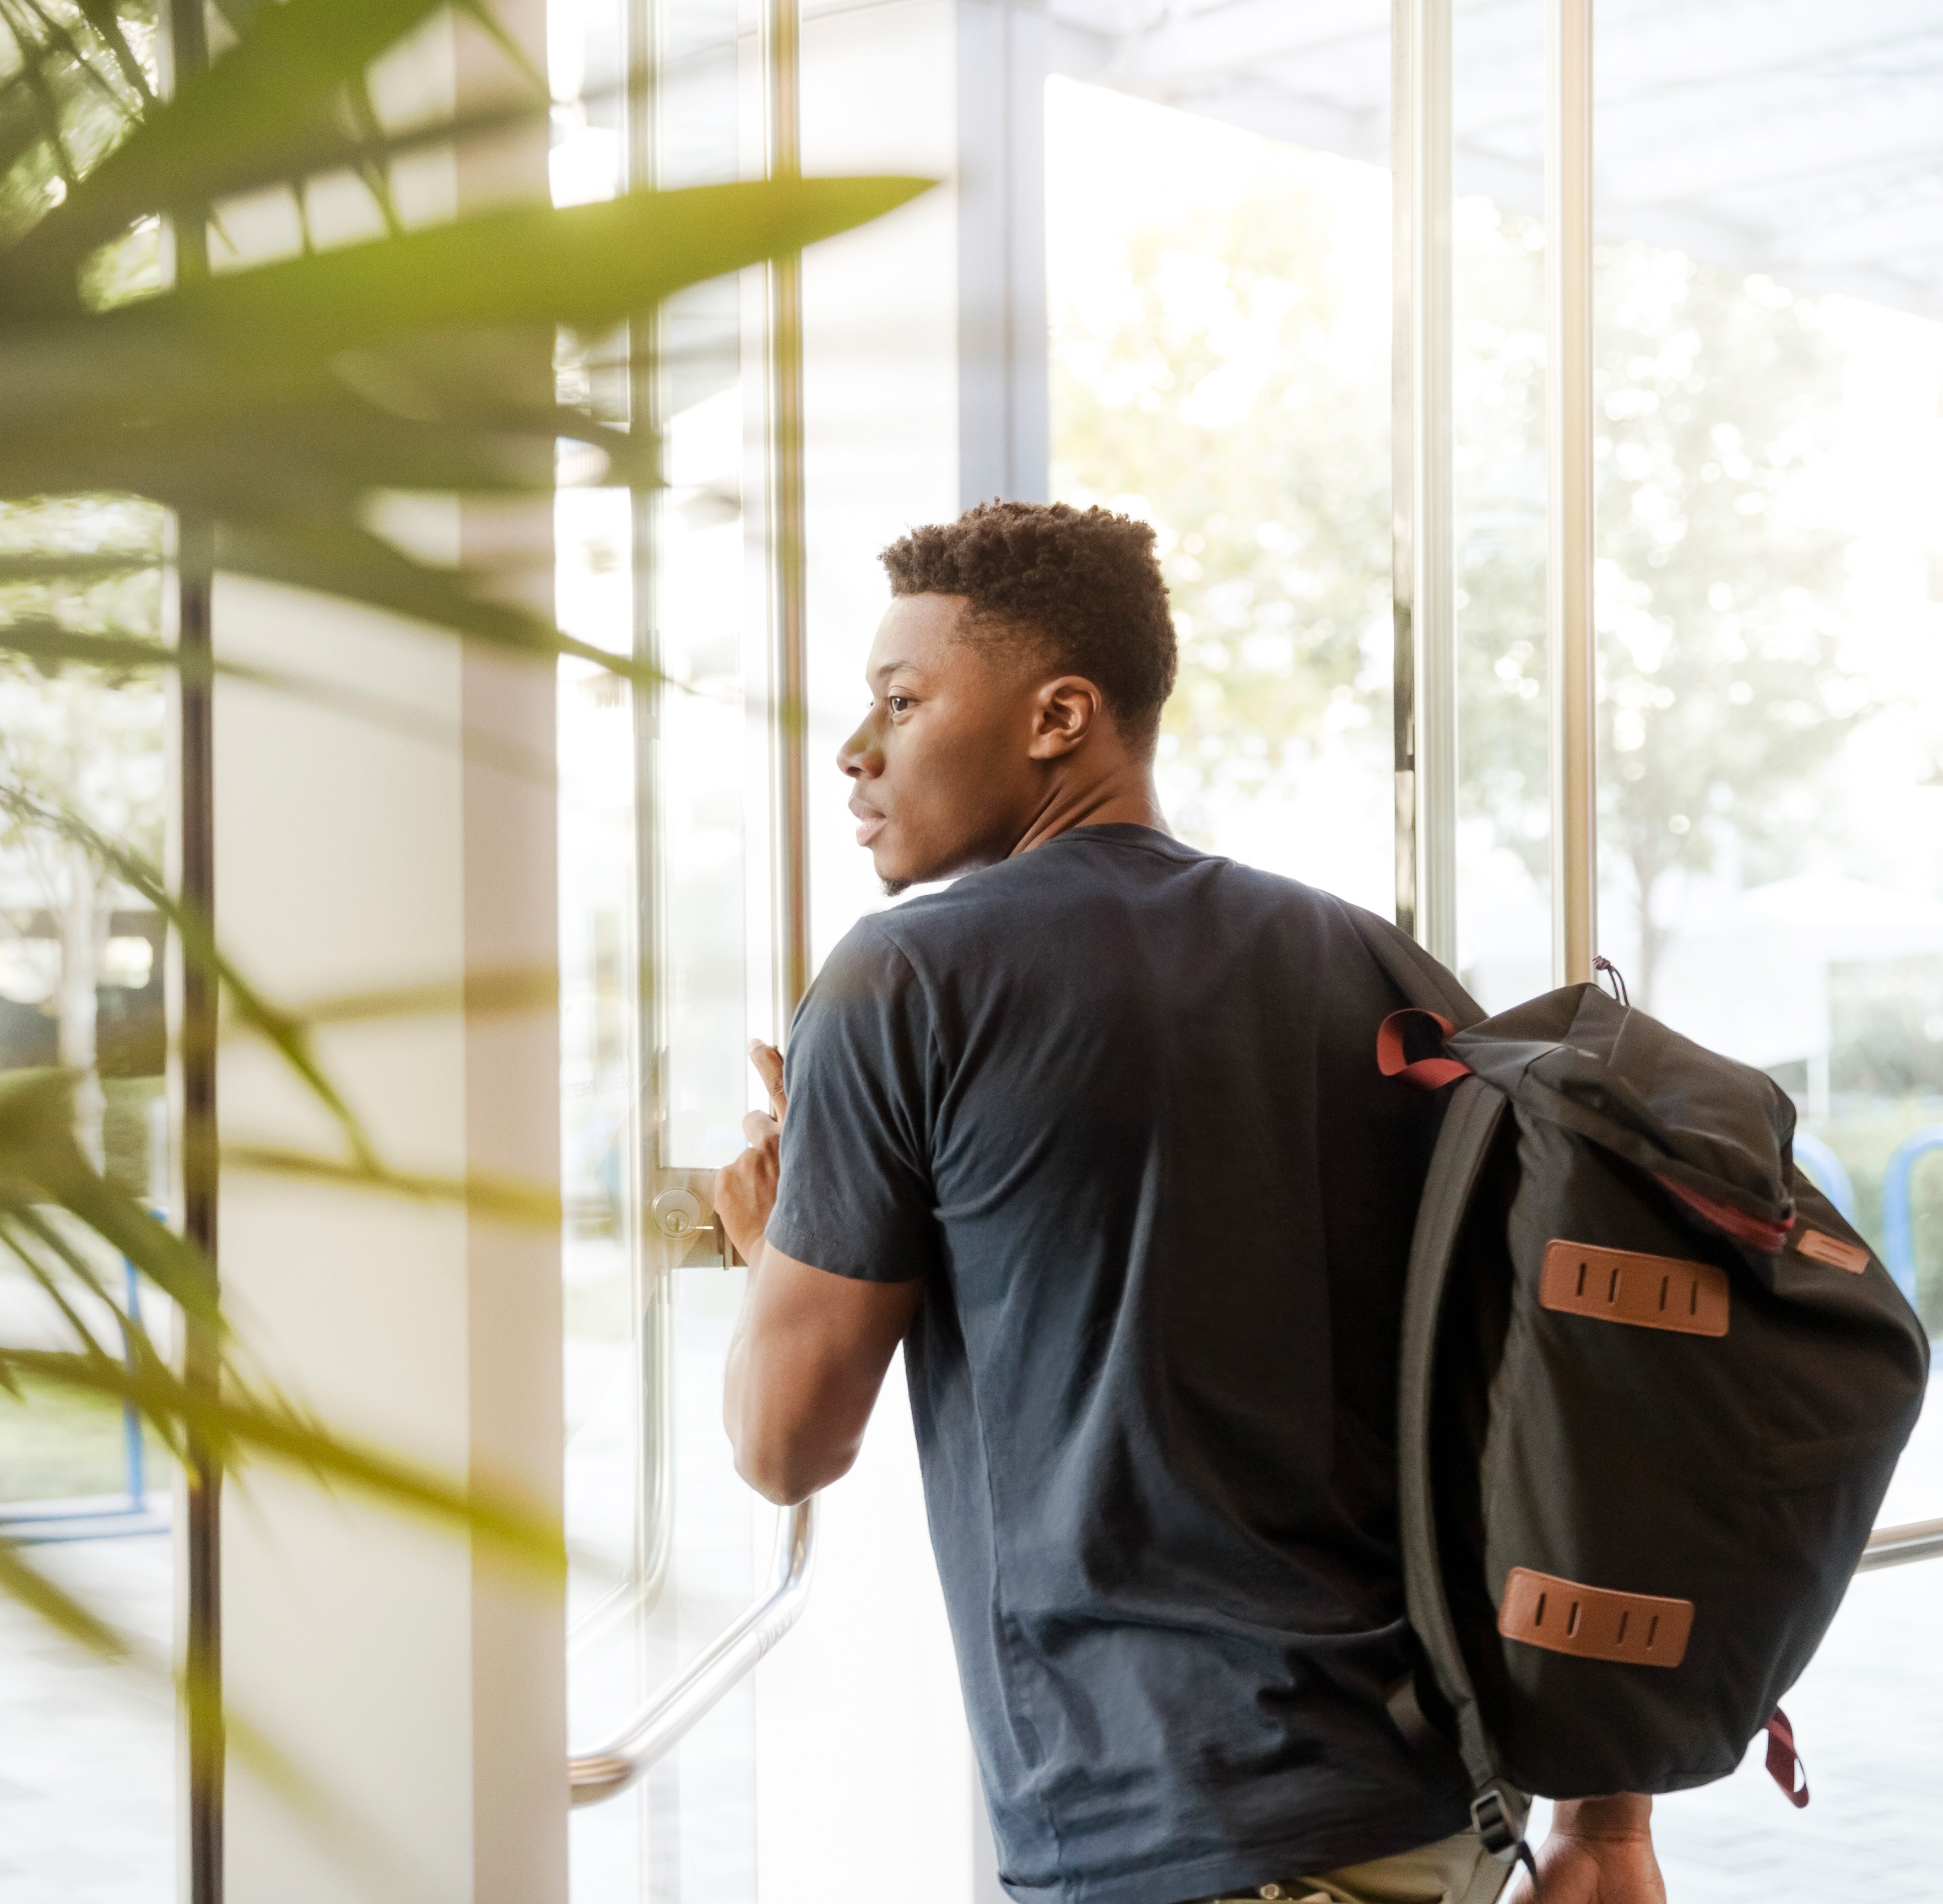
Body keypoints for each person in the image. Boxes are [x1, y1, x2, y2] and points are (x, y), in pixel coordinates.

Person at [708, 501, 1670, 1904]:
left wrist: (770, 1249)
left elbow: (782, 1446)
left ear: (1061, 716)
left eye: (902, 701)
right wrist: (1609, 1827)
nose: (857, 751)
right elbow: (1566, 1384)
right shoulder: (1379, 971)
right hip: (1440, 1811)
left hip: (1178, 1833)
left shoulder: (903, 985)